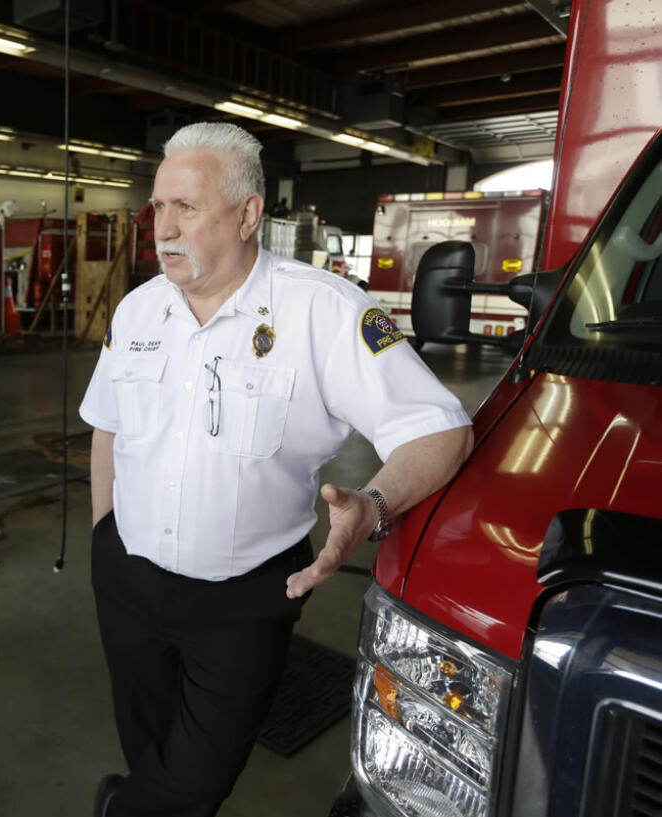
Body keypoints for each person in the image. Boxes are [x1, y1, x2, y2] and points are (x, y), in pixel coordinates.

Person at [78, 122, 473, 817]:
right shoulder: (138, 309)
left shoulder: (322, 311)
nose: (163, 227)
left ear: (248, 214)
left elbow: (440, 427)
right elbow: (107, 429)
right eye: (158, 207)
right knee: (149, 749)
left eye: (187, 208)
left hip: (243, 599)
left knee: (200, 775)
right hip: (128, 579)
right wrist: (103, 536)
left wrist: (374, 505)